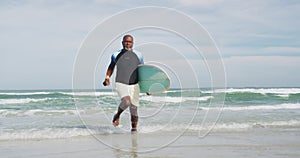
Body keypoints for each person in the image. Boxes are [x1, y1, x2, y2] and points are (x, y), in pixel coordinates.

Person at [103, 34, 144, 132]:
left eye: (130, 42)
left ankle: (134, 131)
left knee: (134, 110)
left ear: (133, 43)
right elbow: (111, 67)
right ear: (122, 43)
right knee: (126, 102)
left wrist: (146, 87)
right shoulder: (116, 55)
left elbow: (142, 70)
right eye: (126, 41)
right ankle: (117, 115)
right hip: (121, 82)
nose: (127, 43)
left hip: (134, 84)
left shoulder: (139, 55)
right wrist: (107, 77)